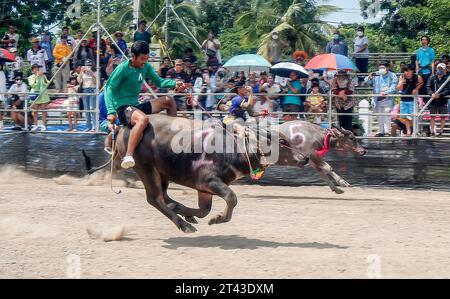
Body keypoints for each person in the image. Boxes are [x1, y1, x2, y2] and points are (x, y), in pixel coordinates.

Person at [105, 41, 183, 168]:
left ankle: (173, 137)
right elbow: (109, 88)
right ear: (133, 56)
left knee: (169, 101)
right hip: (124, 108)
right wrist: (111, 111)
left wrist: (175, 84)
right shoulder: (122, 69)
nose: (144, 62)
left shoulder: (145, 67)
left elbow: (159, 82)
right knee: (143, 119)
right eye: (142, 59)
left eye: (146, 59)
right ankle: (128, 156)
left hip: (136, 106)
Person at [365, 61, 398, 137]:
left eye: (383, 67)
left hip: (387, 99)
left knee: (387, 115)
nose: (381, 69)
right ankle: (381, 131)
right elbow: (366, 81)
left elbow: (394, 87)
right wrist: (369, 77)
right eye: (380, 67)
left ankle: (388, 131)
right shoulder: (376, 74)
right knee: (379, 116)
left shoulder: (393, 75)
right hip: (377, 99)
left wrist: (386, 92)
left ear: (388, 67)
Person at [397, 64, 424, 136]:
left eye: (408, 71)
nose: (407, 72)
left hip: (412, 100)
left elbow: (421, 83)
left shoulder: (417, 77)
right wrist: (400, 83)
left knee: (413, 116)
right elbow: (398, 88)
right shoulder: (402, 77)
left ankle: (415, 130)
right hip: (403, 99)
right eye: (405, 71)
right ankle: (409, 132)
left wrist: (416, 88)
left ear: (412, 71)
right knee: (405, 117)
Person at [426, 63, 449, 137]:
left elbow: (448, 90)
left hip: (442, 100)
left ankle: (441, 131)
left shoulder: (447, 79)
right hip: (433, 100)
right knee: (432, 116)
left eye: (442, 69)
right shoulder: (432, 77)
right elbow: (428, 86)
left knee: (443, 116)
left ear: (445, 70)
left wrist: (440, 95)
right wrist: (431, 93)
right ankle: (432, 131)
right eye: (439, 68)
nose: (440, 70)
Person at [28, 64, 50, 131]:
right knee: (35, 111)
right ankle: (36, 125)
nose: (37, 69)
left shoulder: (43, 76)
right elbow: (33, 85)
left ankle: (43, 125)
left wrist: (43, 77)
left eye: (38, 68)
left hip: (43, 94)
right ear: (32, 70)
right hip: (35, 95)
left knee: (43, 111)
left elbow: (47, 83)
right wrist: (36, 77)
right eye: (35, 68)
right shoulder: (30, 77)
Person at [77, 60, 97, 132]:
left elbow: (96, 82)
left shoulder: (95, 71)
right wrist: (81, 72)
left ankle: (94, 126)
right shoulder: (83, 72)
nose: (88, 66)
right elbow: (79, 81)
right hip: (85, 90)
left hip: (92, 89)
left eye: (89, 65)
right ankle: (88, 126)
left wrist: (91, 73)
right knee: (86, 109)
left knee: (92, 109)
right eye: (87, 65)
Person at [0, 64, 5, 130]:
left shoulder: (2, 73)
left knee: (0, 110)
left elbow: (2, 84)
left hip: (0, 94)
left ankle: (1, 123)